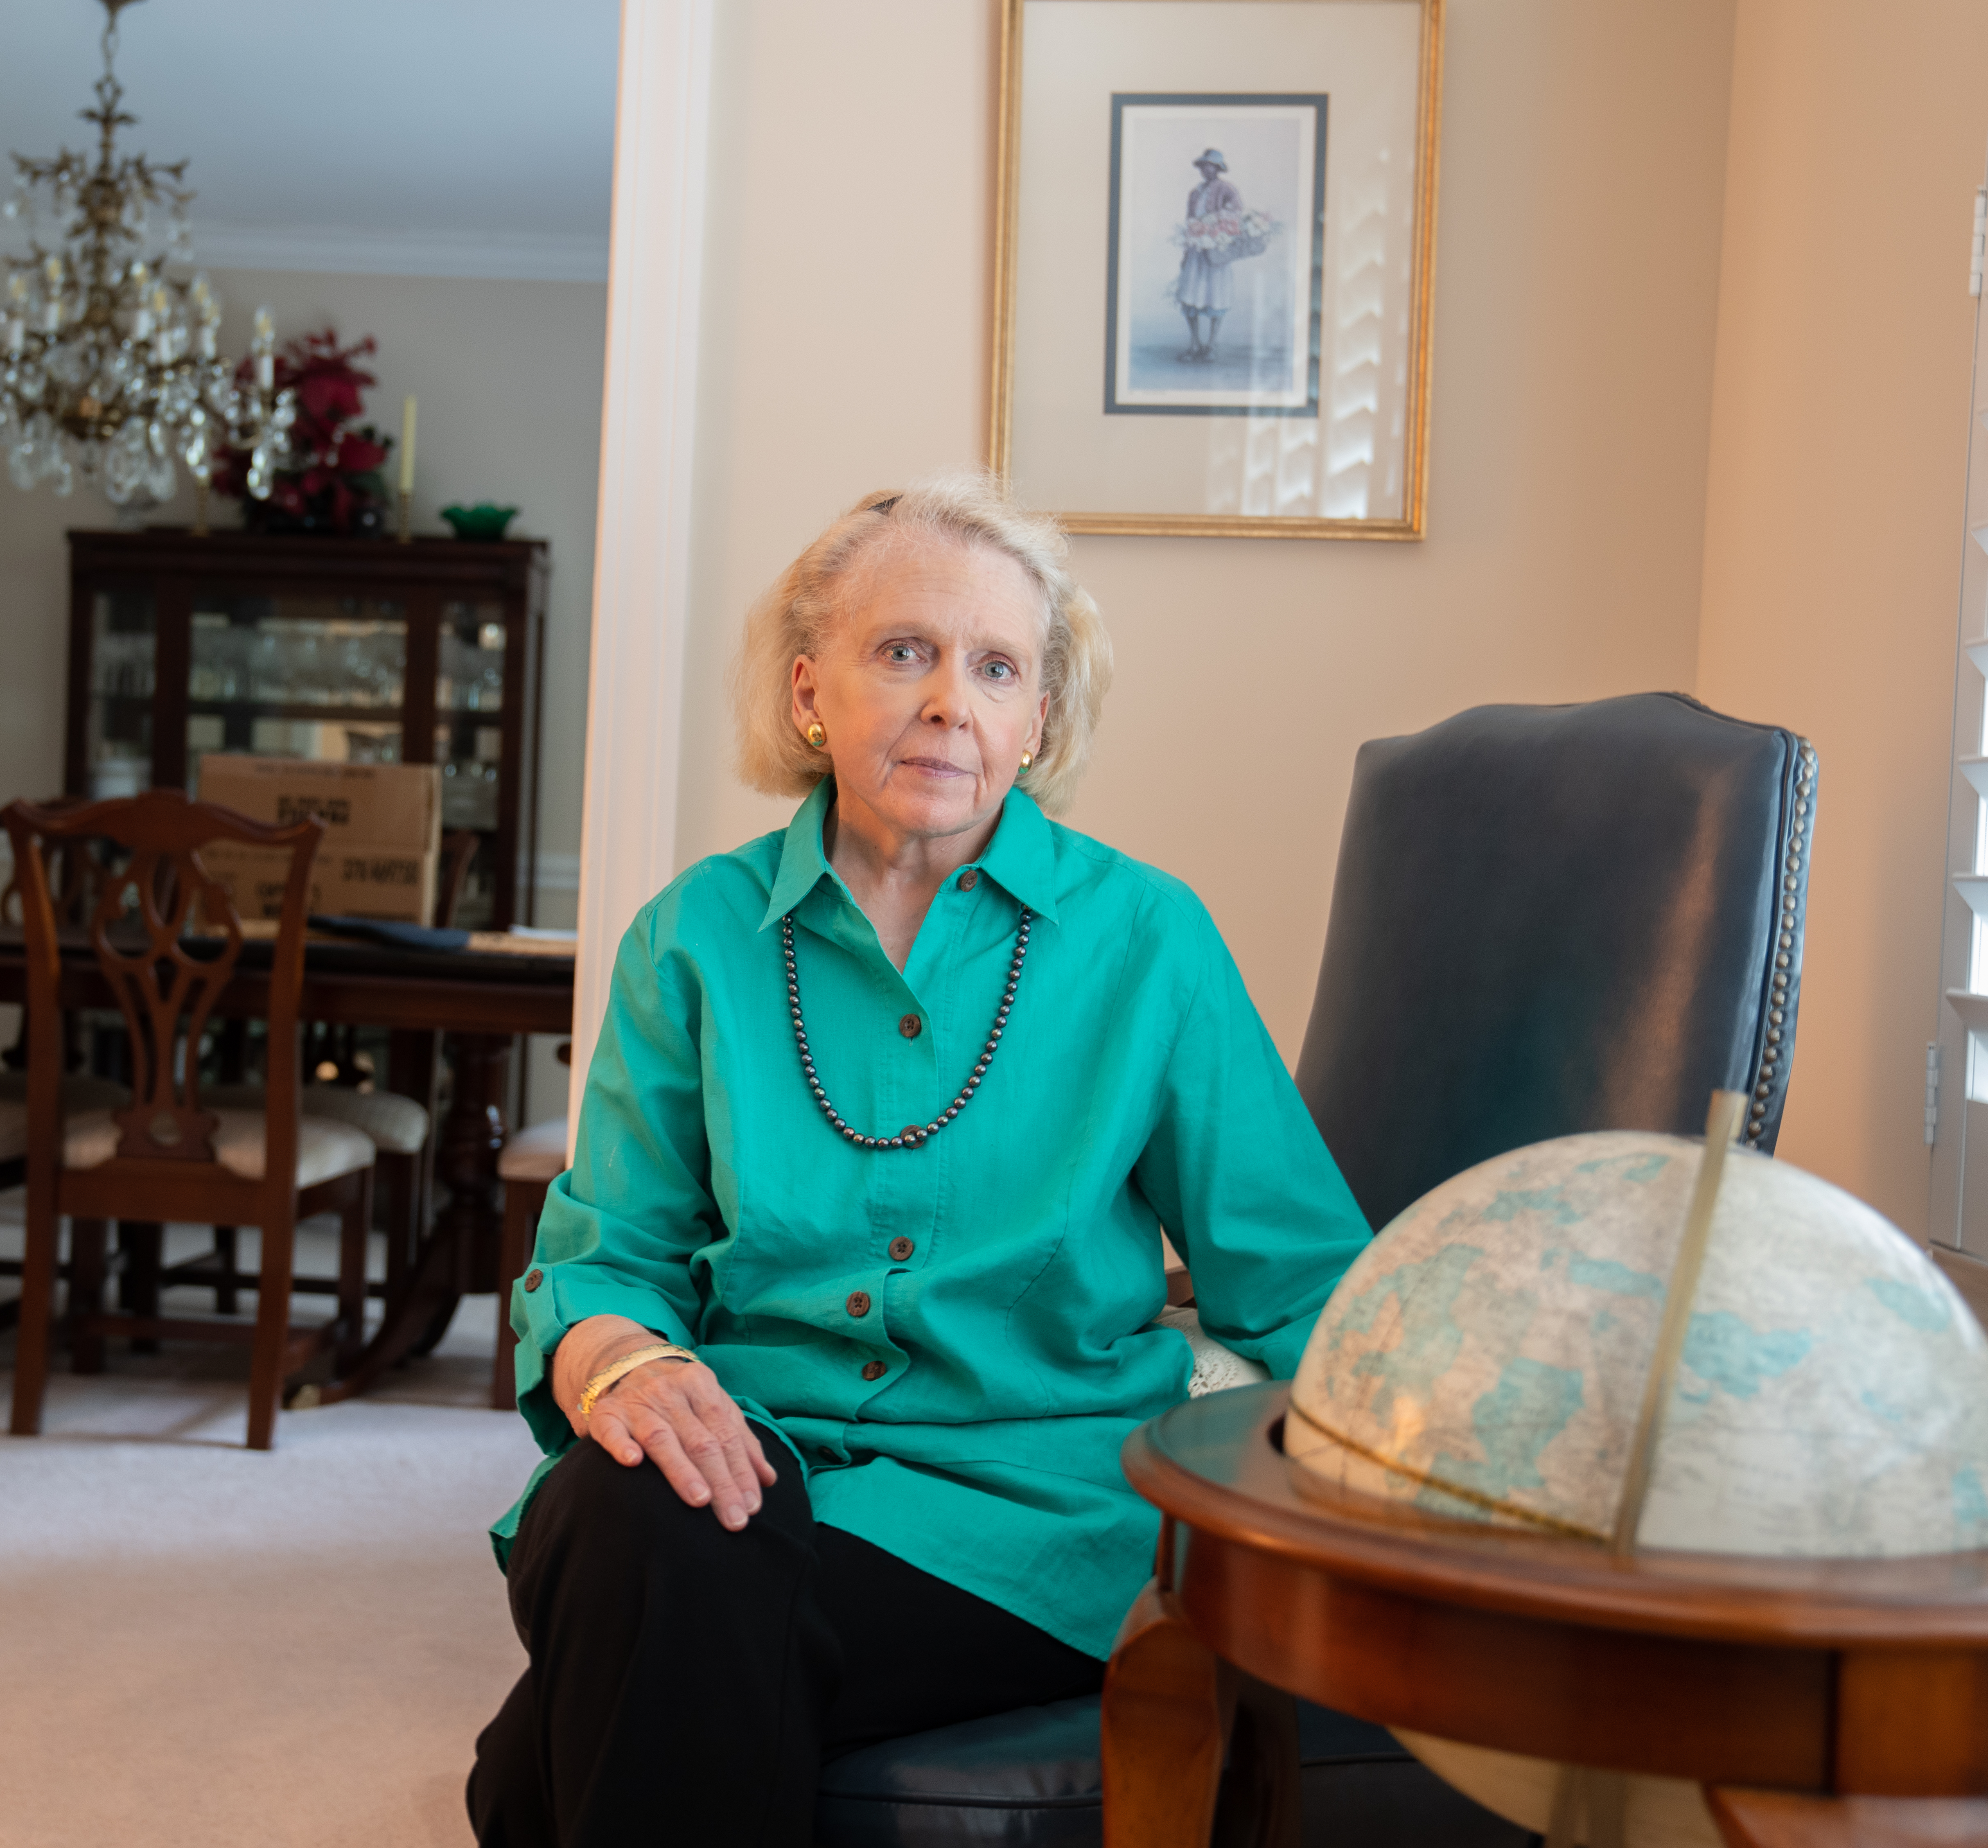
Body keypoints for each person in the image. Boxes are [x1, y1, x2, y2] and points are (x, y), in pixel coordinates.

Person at [467, 475, 1371, 1847]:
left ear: (1038, 718)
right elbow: (610, 1256)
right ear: (809, 691)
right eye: (905, 652)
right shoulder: (694, 936)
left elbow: (1298, 1275)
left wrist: (1464, 1464)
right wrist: (621, 1358)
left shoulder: (1147, 941)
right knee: (632, 1504)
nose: (952, 701)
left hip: (1024, 1517)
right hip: (743, 1461)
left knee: (554, 1741)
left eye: (996, 667)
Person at [1175, 147, 1248, 361]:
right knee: (1190, 295)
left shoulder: (1227, 189)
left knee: (1216, 295)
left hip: (1216, 253)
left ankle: (1212, 346)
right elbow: (1190, 222)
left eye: (1211, 166)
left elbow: (1237, 213)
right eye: (1204, 166)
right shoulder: (1195, 193)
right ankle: (1195, 344)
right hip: (1196, 251)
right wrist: (1187, 251)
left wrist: (1215, 223)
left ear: (1218, 169)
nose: (1206, 170)